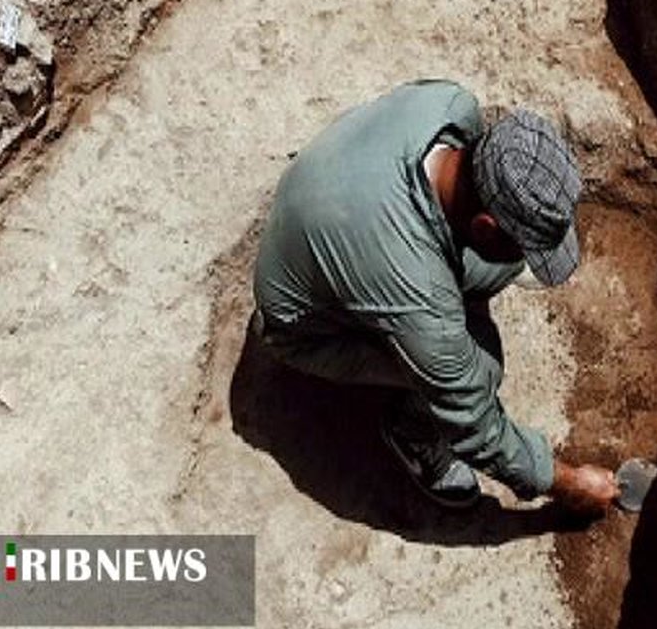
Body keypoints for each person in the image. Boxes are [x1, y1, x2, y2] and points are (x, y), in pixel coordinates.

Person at [251, 79, 618, 514]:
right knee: (480, 369)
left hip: (331, 202)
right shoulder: (419, 290)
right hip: (303, 329)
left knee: (491, 271)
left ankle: (485, 264)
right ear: (484, 226)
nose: (530, 260)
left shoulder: (449, 105)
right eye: (524, 246)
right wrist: (568, 483)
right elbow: (476, 426)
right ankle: (412, 435)